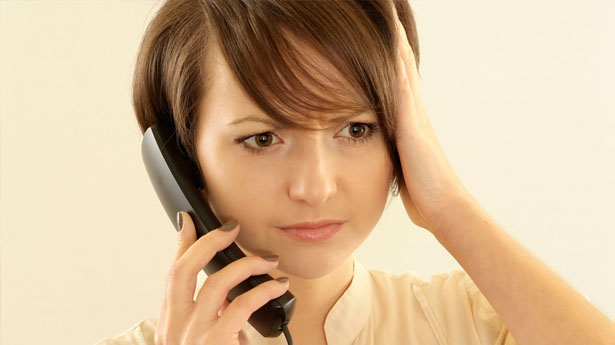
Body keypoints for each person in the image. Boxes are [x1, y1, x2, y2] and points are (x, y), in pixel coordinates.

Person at [96, 0, 615, 344]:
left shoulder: (469, 320)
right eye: (262, 138)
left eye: (357, 129)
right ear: (182, 164)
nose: (315, 187)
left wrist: (450, 209)